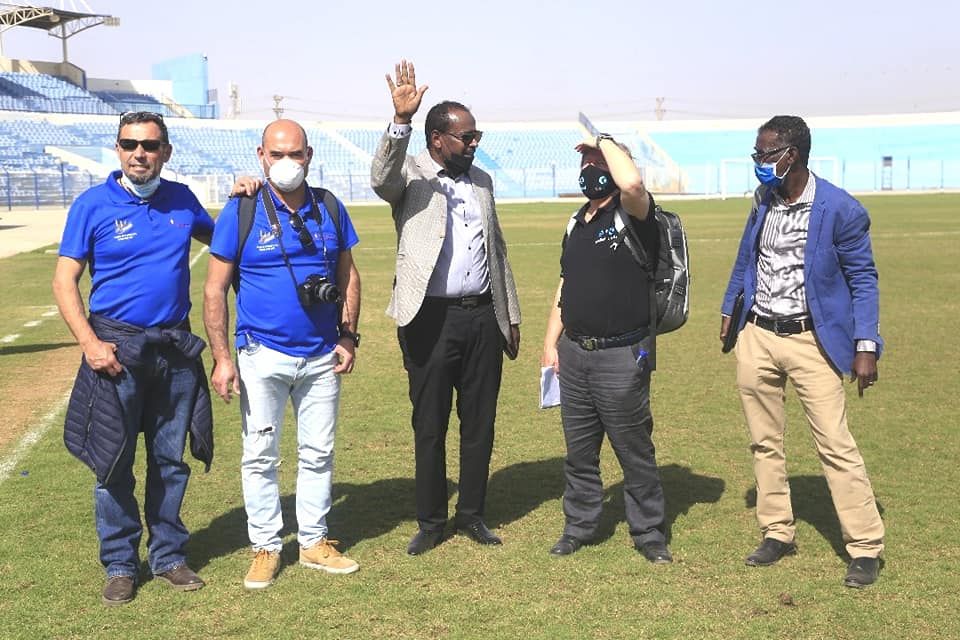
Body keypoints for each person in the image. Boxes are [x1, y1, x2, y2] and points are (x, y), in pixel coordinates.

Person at [53, 111, 214, 606]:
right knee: (113, 462)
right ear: (118, 149)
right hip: (116, 349)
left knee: (169, 460)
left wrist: (248, 194)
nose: (139, 153)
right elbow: (65, 281)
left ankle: (168, 556)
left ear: (166, 151)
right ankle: (121, 563)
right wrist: (90, 344)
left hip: (173, 349)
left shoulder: (183, 199)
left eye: (149, 145)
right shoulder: (91, 204)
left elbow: (227, 241)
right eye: (129, 144)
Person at [720, 115, 885, 588]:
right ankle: (777, 531)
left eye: (764, 154)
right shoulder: (763, 200)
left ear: (790, 155)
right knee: (763, 440)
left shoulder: (840, 209)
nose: (758, 162)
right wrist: (731, 311)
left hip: (813, 341)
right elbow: (746, 258)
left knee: (835, 444)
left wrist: (865, 346)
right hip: (758, 335)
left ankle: (865, 546)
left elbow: (863, 280)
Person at [370, 60, 521, 556]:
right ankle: (432, 521)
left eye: (477, 136)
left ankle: (472, 514)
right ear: (438, 139)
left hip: (481, 316)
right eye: (466, 137)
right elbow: (380, 176)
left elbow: (496, 249)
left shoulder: (481, 181)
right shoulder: (411, 174)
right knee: (430, 424)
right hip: (429, 319)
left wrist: (510, 315)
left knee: (480, 422)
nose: (474, 143)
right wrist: (400, 122)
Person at [204, 119, 362, 589]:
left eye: (295, 154)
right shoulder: (242, 209)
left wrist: (349, 335)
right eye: (277, 155)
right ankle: (267, 547)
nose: (287, 163)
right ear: (261, 156)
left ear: (310, 155)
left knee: (318, 453)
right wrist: (222, 358)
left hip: (320, 357)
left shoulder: (330, 207)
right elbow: (214, 291)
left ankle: (313, 542)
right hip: (261, 355)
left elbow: (349, 275)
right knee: (259, 455)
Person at [541, 134, 672, 564]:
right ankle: (578, 526)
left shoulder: (634, 214)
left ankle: (649, 532)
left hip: (622, 355)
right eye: (587, 163)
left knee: (634, 450)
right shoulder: (576, 222)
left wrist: (603, 140)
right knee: (579, 453)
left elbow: (633, 185)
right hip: (575, 354)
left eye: (599, 162)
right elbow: (566, 283)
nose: (590, 169)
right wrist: (550, 343)